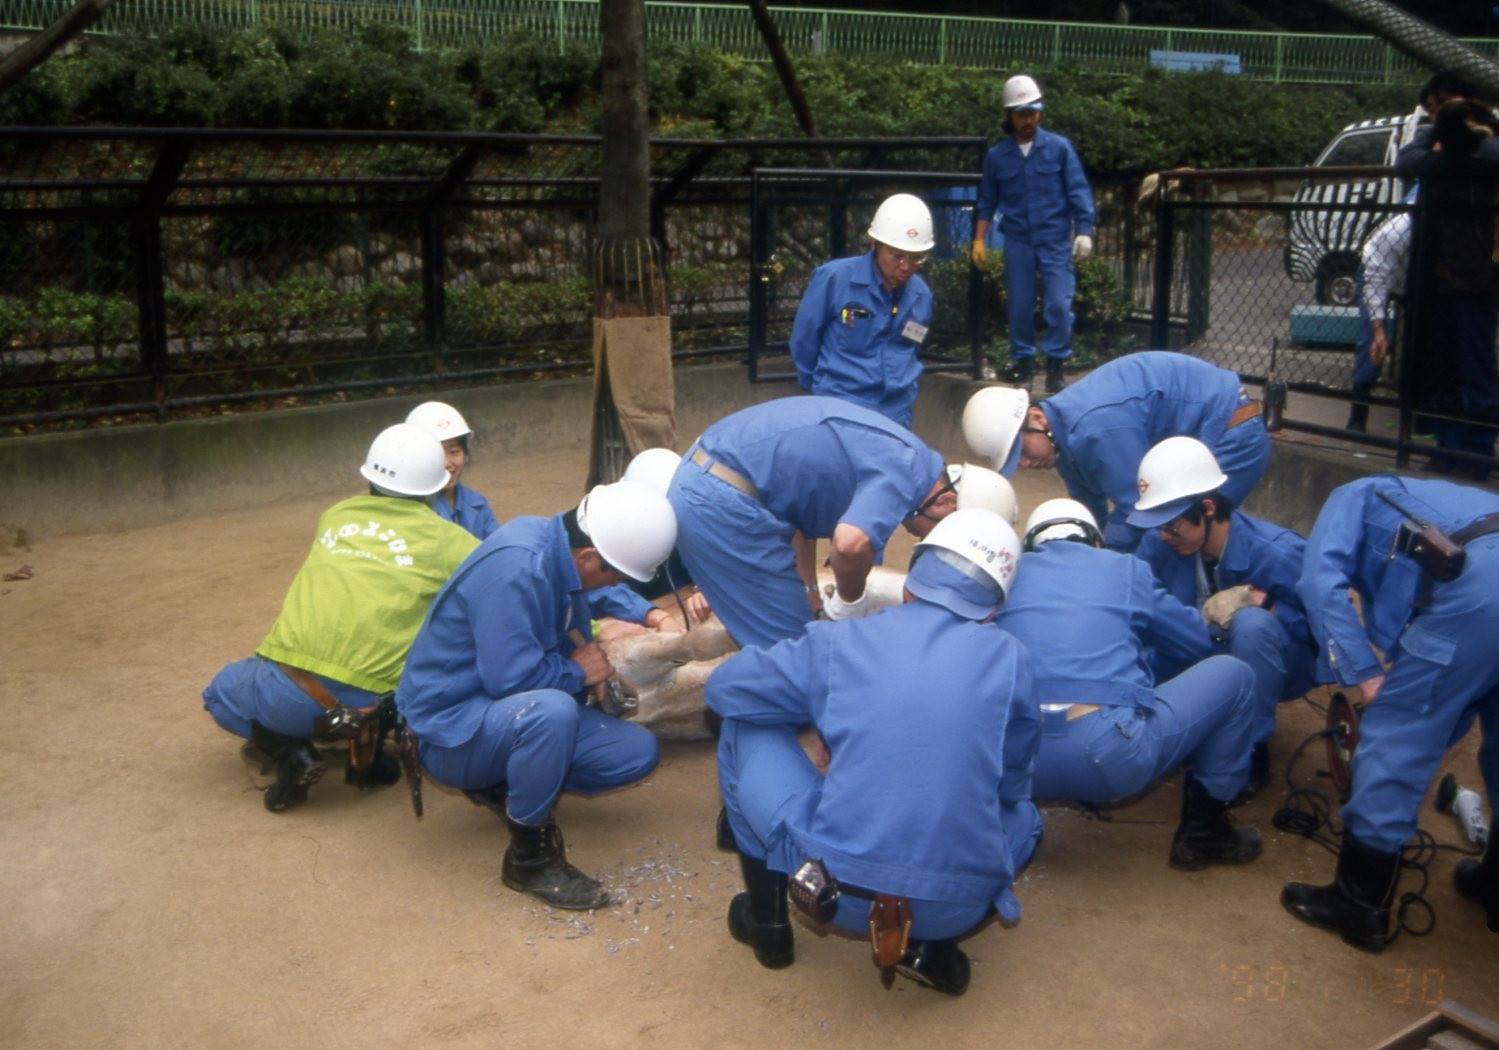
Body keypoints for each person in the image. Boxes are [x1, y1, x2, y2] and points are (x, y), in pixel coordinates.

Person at [708, 509, 1041, 996]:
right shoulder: (1013, 659)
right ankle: (928, 941)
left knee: (741, 725)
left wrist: (831, 712)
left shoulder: (839, 641)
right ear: (992, 610)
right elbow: (1012, 780)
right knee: (1026, 816)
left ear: (909, 586)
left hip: (833, 891)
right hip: (959, 905)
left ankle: (768, 924)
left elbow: (723, 691)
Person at [396, 480, 679, 910]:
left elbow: (597, 593)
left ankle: (509, 778)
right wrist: (579, 671)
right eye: (615, 571)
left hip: (496, 710)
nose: (616, 582)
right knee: (550, 712)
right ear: (587, 556)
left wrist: (617, 636)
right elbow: (510, 681)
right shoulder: (517, 570)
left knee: (634, 752)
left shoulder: (555, 545)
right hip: (450, 728)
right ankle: (529, 858)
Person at [202, 423, 479, 812]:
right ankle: (367, 755)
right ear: (434, 486)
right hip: (379, 701)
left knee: (219, 692)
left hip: (287, 689)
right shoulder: (456, 543)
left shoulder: (335, 516)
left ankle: (291, 753)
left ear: (367, 475)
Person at [1282, 475, 1499, 951]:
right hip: (1485, 574)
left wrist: (1364, 673)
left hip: (1480, 594)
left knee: (1396, 736)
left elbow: (1319, 580)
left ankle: (1358, 907)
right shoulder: (1432, 497)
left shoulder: (1346, 498)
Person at [997, 499, 1262, 870]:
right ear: (1095, 543)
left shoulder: (1006, 575)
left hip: (1015, 762)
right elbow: (1194, 642)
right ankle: (1205, 833)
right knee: (1235, 676)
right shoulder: (1124, 567)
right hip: (1107, 756)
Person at [666, 396, 1003, 650]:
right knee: (795, 657)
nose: (926, 541)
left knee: (791, 631)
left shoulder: (907, 456)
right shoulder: (905, 471)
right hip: (719, 501)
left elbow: (794, 511)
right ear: (946, 501)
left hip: (709, 478)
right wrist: (849, 602)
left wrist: (811, 594)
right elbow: (850, 545)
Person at [1129, 437, 1320, 798]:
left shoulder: (1278, 552)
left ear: (1208, 508)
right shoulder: (1160, 544)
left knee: (1252, 626)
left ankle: (1250, 748)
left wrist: (1267, 605)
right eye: (1157, 526)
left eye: (1172, 526)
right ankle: (1180, 726)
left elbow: (1323, 632)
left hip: (1280, 662)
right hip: (1202, 650)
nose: (1163, 536)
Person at [962, 351, 1272, 552]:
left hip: (1231, 434)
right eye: (1017, 461)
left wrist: (1102, 564)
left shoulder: (1096, 429)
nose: (1026, 464)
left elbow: (1139, 511)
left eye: (1023, 451)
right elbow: (1090, 513)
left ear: (1037, 418)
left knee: (1181, 533)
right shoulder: (1066, 436)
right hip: (1207, 434)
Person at [972, 73, 1095, 395]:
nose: (1028, 120)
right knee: (1020, 306)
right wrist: (979, 239)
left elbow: (1077, 190)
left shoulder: (1059, 149)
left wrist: (1084, 230)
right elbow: (986, 201)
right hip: (1018, 240)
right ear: (1008, 116)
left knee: (1058, 304)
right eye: (1021, 113)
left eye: (1033, 112)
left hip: (1054, 238)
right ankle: (1023, 363)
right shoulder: (998, 157)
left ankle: (1056, 366)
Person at [1395, 99, 1499, 479]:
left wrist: (1444, 145)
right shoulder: (1471, 158)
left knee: (1471, 368)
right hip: (1453, 276)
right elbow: (1407, 161)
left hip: (1472, 277)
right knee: (1457, 367)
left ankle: (1471, 451)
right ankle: (1459, 449)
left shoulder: (1472, 155)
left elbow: (1412, 161)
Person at [790, 193, 935, 427]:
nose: (906, 266)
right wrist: (817, 388)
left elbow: (911, 346)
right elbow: (804, 341)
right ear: (875, 245)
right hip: (841, 406)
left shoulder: (921, 296)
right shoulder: (834, 279)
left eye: (917, 258)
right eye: (897, 256)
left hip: (896, 412)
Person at [1347, 204, 1412, 433]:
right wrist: (1379, 328)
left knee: (1417, 344)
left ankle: (1414, 418)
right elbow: (1376, 275)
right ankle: (1357, 418)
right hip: (1376, 271)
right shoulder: (1402, 227)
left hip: (1409, 279)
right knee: (1371, 344)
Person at [405, 401, 500, 539]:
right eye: (436, 454)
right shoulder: (410, 509)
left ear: (465, 454)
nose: (447, 463)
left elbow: (497, 549)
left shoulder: (477, 503)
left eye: (454, 451)